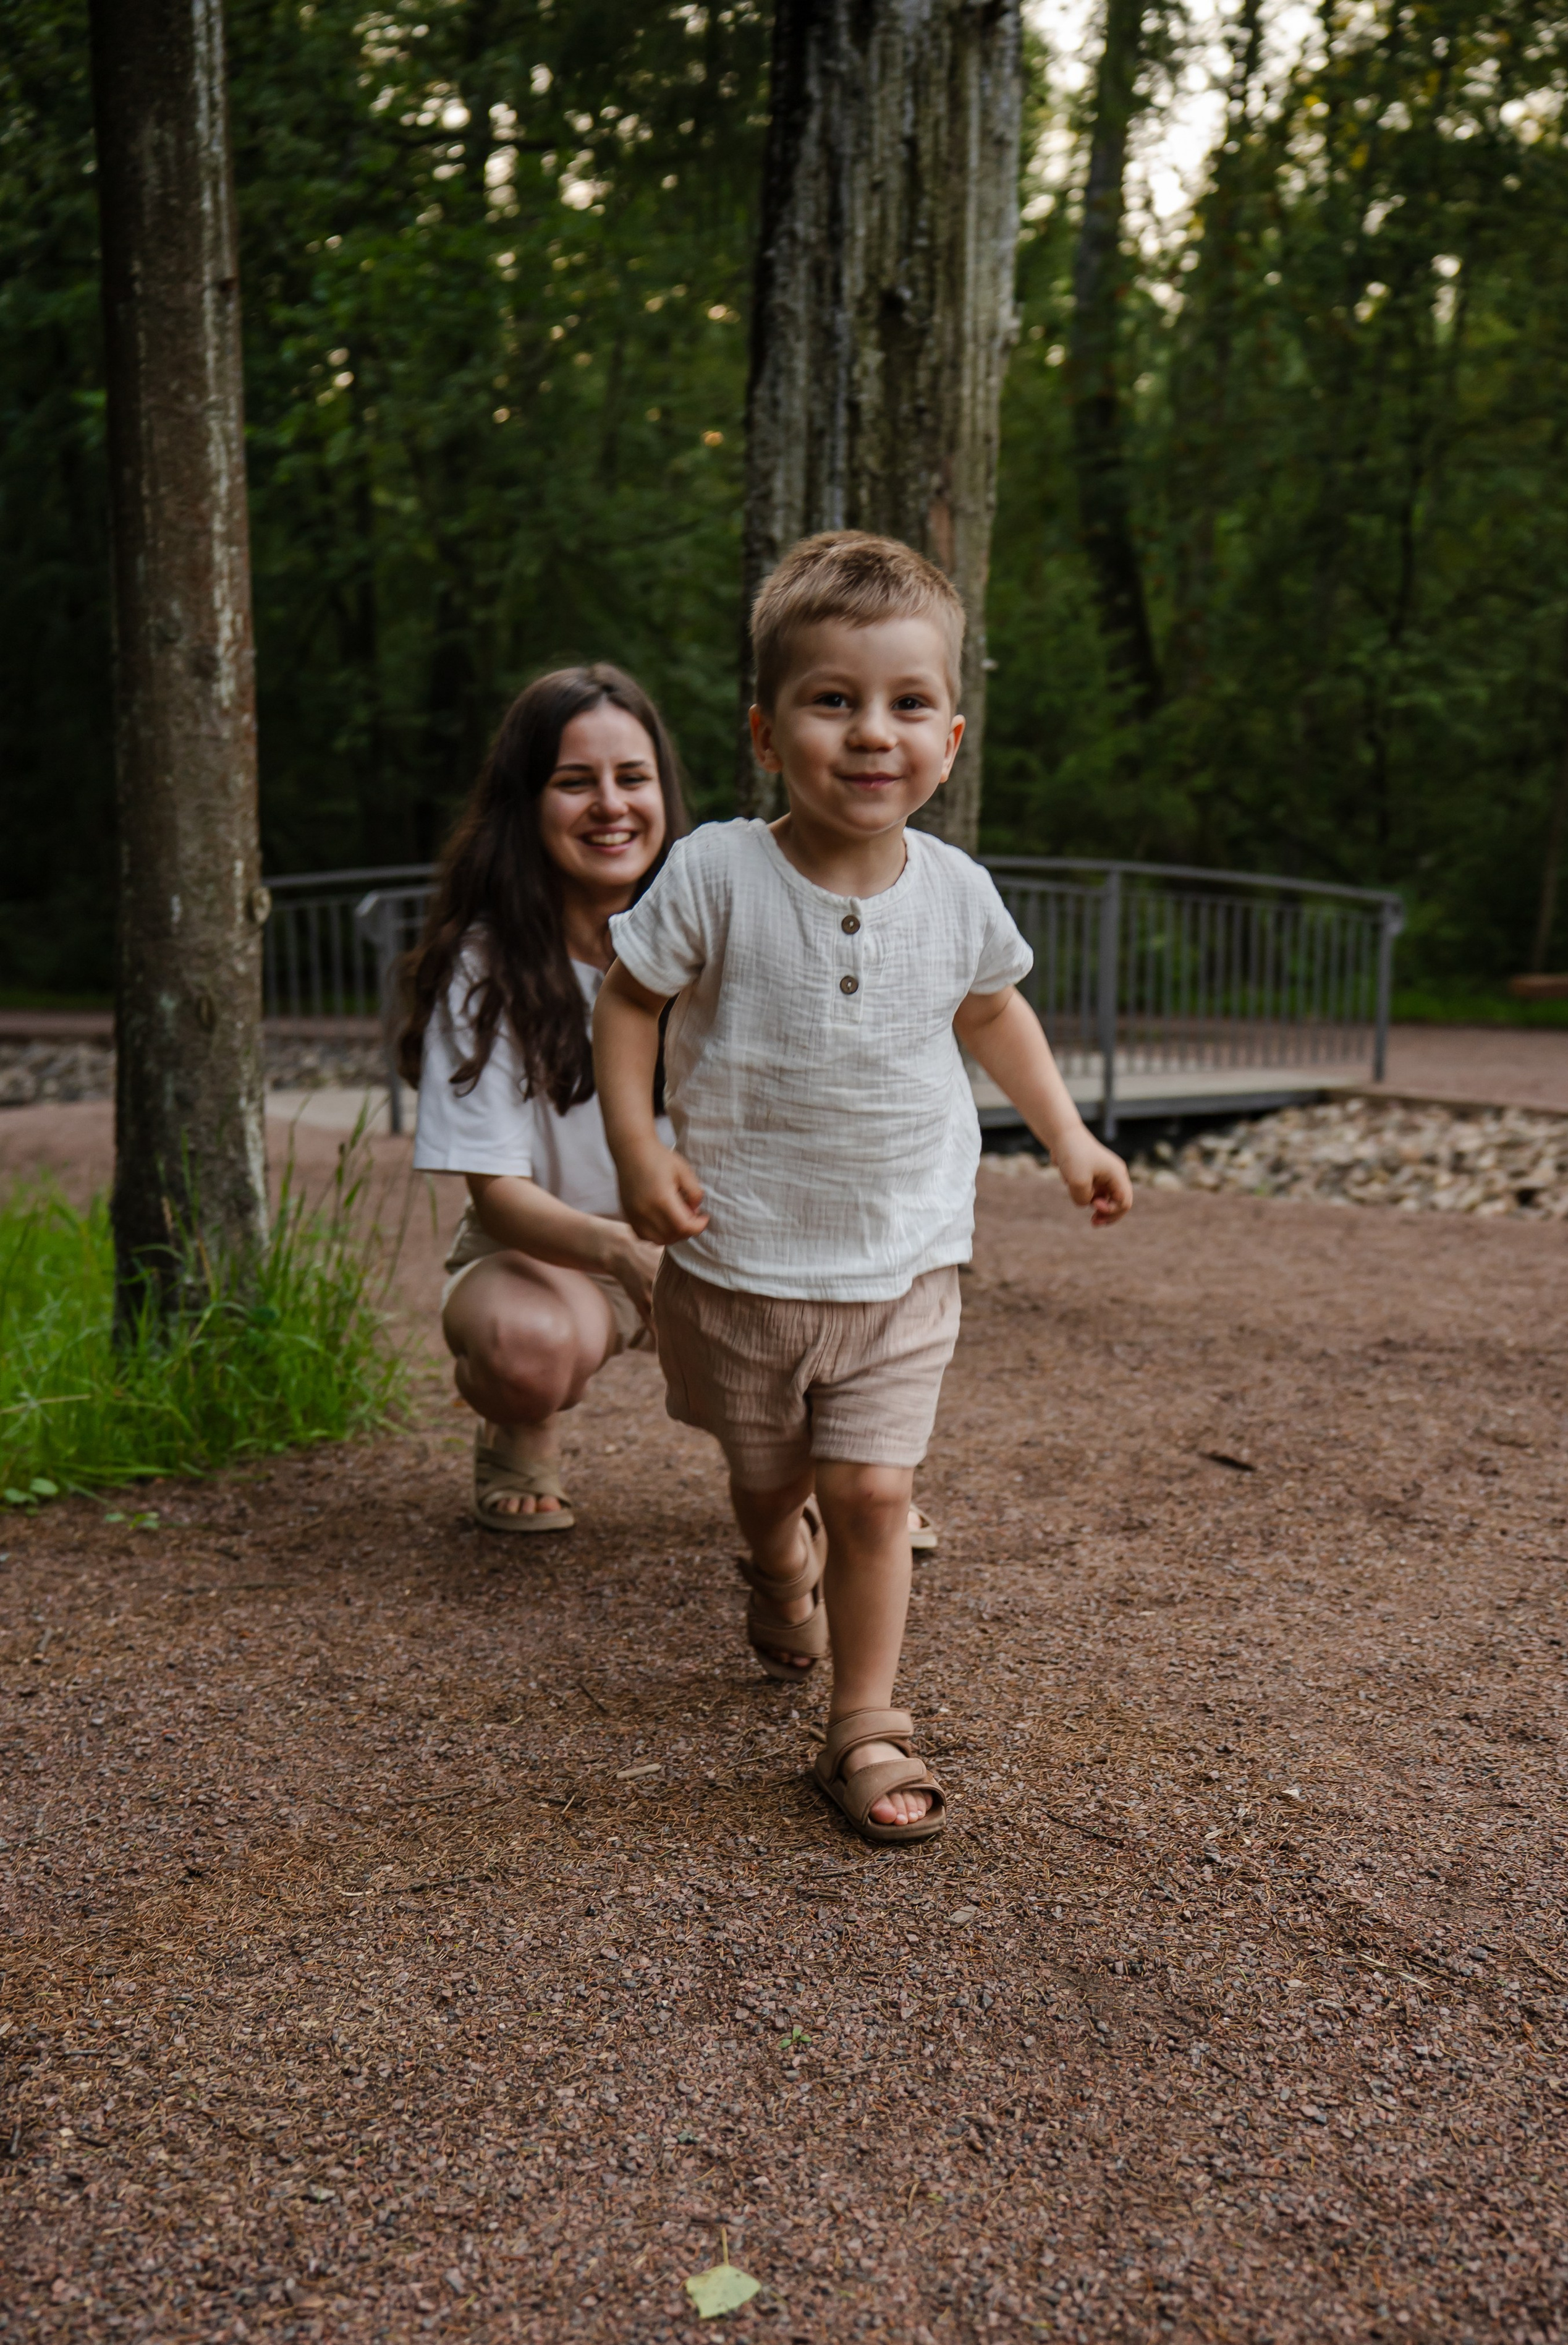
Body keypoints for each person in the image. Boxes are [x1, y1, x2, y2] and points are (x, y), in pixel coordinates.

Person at [592, 530, 1133, 1842]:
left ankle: (864, 1723)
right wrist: (633, 1147)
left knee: (875, 1493)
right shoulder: (719, 870)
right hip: (740, 1266)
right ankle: (774, 1564)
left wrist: (1068, 1140)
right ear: (768, 734)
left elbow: (992, 1012)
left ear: (948, 737)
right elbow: (627, 1001)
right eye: (832, 701)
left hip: (901, 1261)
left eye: (903, 705)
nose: (870, 733)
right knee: (768, 1482)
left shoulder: (956, 892)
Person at [400, 663, 688, 1531]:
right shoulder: (482, 966)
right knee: (526, 1352)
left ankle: (861, 1483)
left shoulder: (722, 934)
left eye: (632, 778)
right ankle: (517, 1424)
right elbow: (497, 1192)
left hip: (720, 1239)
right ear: (525, 804)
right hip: (552, 1255)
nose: (611, 805)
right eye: (575, 782)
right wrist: (628, 1256)